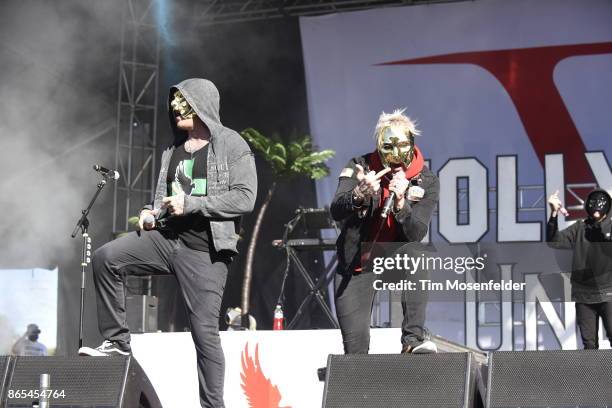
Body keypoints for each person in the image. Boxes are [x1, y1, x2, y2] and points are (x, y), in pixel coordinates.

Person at [79, 78, 257, 408]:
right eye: (173, 106)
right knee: (106, 258)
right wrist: (150, 212)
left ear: (202, 104)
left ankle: (212, 406)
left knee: (204, 334)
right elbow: (162, 200)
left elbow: (245, 198)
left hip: (205, 250)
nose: (176, 112)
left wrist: (193, 204)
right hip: (167, 240)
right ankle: (118, 343)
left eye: (184, 104)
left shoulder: (232, 143)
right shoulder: (172, 150)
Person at [330, 109, 439, 354]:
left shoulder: (427, 180)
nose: (395, 156)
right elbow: (336, 210)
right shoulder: (360, 166)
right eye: (388, 147)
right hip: (358, 263)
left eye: (402, 146)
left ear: (411, 144)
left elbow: (417, 232)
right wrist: (359, 194)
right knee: (355, 350)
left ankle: (413, 340)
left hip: (396, 258)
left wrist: (401, 205)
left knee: (417, 253)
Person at [547, 188, 612, 349]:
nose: (596, 206)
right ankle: (594, 374)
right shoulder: (580, 227)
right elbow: (553, 241)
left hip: (609, 292)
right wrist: (554, 213)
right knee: (589, 344)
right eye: (593, 203)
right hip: (584, 295)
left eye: (600, 203)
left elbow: (603, 234)